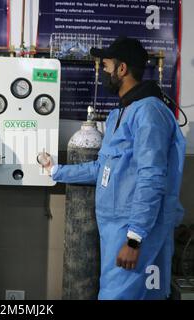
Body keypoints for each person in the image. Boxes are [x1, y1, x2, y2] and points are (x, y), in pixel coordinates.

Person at [41, 37, 186, 300]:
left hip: (135, 230)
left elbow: (151, 177)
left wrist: (134, 239)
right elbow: (103, 168)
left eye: (106, 65)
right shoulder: (119, 113)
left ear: (122, 69)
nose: (103, 72)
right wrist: (56, 171)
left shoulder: (149, 113)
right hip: (115, 228)